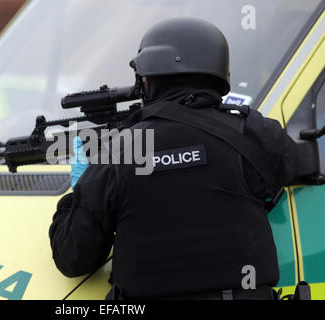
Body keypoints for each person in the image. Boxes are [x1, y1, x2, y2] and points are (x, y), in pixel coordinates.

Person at [49, 17, 301, 300]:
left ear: (151, 79)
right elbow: (297, 163)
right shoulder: (252, 132)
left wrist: (80, 189)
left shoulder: (121, 150)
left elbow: (72, 257)